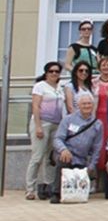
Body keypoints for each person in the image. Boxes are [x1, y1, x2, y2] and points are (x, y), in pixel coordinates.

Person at [49, 92, 105, 202]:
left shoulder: (98, 124)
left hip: (82, 158)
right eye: (84, 104)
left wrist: (92, 166)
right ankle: (56, 193)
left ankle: (76, 194)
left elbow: (97, 148)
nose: (87, 106)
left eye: (89, 103)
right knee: (63, 160)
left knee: (83, 174)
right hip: (66, 153)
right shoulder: (68, 119)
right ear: (78, 105)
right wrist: (63, 149)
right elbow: (57, 139)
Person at [27, 62, 65, 200]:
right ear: (46, 73)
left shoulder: (61, 87)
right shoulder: (40, 86)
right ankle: (30, 189)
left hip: (56, 124)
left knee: (50, 158)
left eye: (57, 71)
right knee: (37, 157)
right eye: (51, 71)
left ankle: (48, 186)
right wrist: (38, 126)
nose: (54, 74)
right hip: (42, 122)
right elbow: (36, 106)